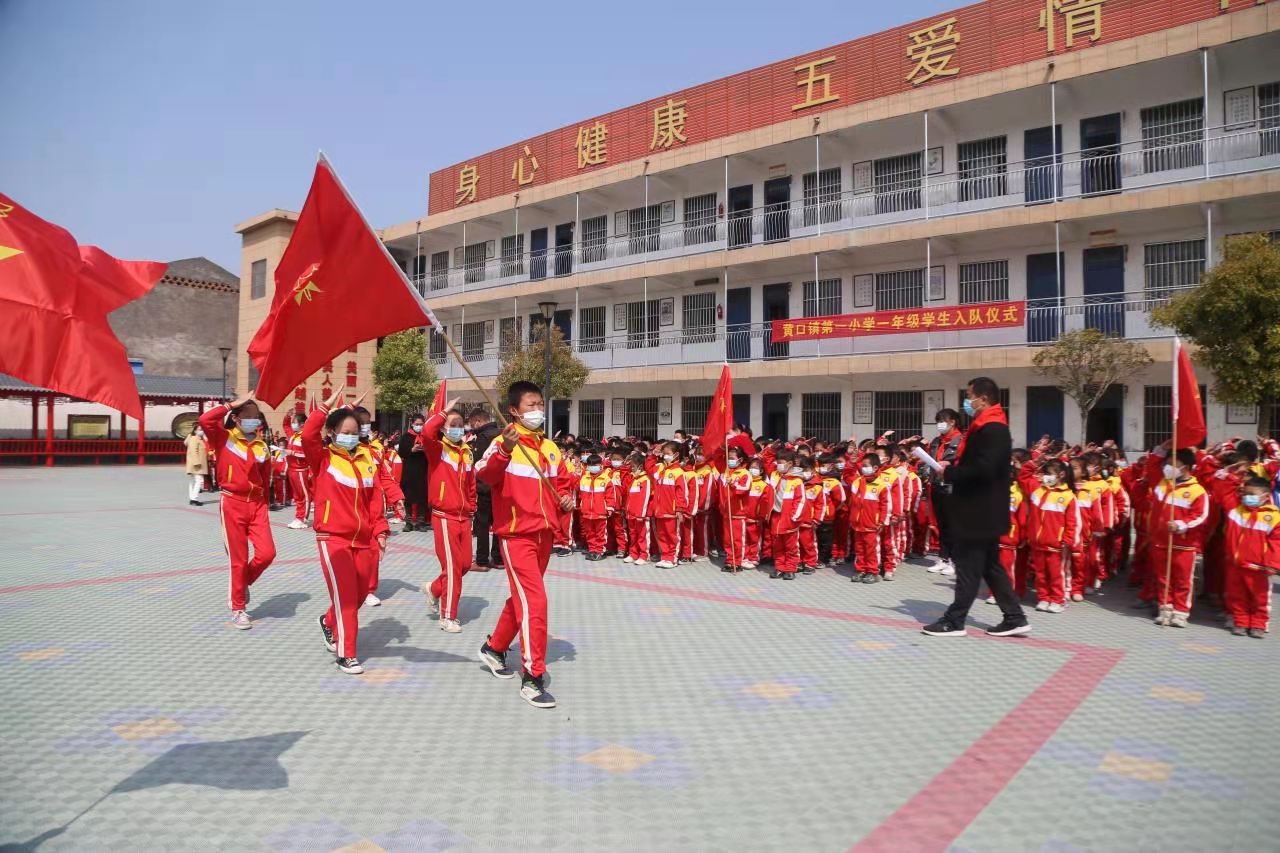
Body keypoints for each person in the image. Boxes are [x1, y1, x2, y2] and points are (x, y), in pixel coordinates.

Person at [474, 381, 575, 709]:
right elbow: (485, 475)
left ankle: (494, 647)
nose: (537, 411)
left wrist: (566, 498)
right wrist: (504, 448)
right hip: (516, 534)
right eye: (530, 405)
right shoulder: (503, 442)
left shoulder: (548, 447)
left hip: (544, 533)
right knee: (535, 600)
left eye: (540, 404)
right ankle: (532, 676)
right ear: (514, 411)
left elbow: (563, 481)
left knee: (522, 599)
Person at [922, 377, 1030, 637]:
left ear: (983, 399)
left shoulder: (993, 428)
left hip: (980, 509)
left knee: (968, 565)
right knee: (990, 565)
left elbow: (985, 469)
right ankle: (1014, 617)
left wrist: (951, 473)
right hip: (982, 507)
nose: (966, 401)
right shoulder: (984, 426)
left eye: (969, 396)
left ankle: (955, 620)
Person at [303, 389, 390, 674]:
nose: (352, 436)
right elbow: (307, 436)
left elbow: (375, 498)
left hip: (363, 538)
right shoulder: (323, 458)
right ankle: (346, 653)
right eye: (345, 431)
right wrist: (323, 409)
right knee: (345, 598)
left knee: (362, 593)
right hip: (332, 538)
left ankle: (328, 622)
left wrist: (380, 529)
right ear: (331, 433)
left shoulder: (366, 459)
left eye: (356, 431)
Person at [198, 392, 277, 630]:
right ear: (236, 418)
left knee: (267, 554)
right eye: (248, 416)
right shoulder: (223, 438)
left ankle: (242, 584)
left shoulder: (262, 446)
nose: (254, 420)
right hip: (232, 502)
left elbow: (265, 478)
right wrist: (231, 404)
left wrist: (266, 501)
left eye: (257, 417)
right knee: (239, 559)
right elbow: (205, 421)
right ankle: (238, 608)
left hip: (258, 504)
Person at [420, 400, 476, 633]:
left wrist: (472, 507)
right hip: (444, 515)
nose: (457, 428)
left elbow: (471, 483)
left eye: (461, 425)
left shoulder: (466, 452)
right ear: (443, 428)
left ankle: (434, 588)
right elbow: (426, 432)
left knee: (463, 565)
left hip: (464, 516)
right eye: (452, 424)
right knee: (453, 567)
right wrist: (442, 412)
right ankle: (448, 616)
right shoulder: (437, 450)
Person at [1143, 443, 1209, 627]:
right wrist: (1162, 448)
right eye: (1167, 463)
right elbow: (1152, 464)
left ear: (1185, 467)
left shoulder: (1197, 491)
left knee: (1182, 580)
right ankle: (1166, 609)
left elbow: (1201, 516)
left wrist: (1181, 525)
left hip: (1183, 545)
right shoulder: (1162, 483)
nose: (1167, 467)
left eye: (1173, 463)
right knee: (1163, 579)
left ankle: (1181, 612)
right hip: (1161, 542)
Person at [926, 409, 963, 577]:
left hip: (952, 486)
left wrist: (950, 464)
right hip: (937, 485)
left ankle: (956, 560)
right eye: (938, 421)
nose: (939, 424)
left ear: (953, 422)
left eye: (942, 420)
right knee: (941, 524)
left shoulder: (962, 440)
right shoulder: (936, 441)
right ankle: (943, 558)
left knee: (954, 524)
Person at [468, 407, 502, 569]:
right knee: (499, 523)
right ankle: (498, 558)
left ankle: (482, 560)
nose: (472, 427)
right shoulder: (502, 434)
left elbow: (478, 462)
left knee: (482, 524)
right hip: (501, 486)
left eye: (472, 424)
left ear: (478, 421)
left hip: (485, 486)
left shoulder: (483, 438)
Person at [398, 413, 429, 531]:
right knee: (408, 496)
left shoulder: (426, 436)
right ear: (412, 424)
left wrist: (425, 449)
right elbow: (401, 452)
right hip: (409, 470)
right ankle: (409, 522)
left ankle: (421, 521)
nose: (419, 426)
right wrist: (412, 449)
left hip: (423, 469)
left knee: (422, 496)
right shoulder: (406, 436)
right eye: (417, 424)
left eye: (421, 424)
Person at [623, 451, 653, 565]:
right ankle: (633, 553)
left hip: (641, 515)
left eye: (633, 467)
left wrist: (642, 513)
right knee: (633, 535)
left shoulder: (645, 479)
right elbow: (626, 491)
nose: (631, 469)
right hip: (630, 513)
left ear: (640, 466)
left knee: (642, 536)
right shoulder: (633, 478)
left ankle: (644, 555)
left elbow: (645, 498)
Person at [284, 412, 312, 529]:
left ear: (302, 424)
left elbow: (308, 454)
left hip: (301, 470)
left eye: (295, 422)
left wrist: (293, 453)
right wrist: (287, 416)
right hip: (292, 469)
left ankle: (303, 518)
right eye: (293, 422)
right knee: (297, 496)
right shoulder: (293, 435)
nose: (292, 424)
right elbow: (286, 427)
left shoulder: (305, 437)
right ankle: (298, 517)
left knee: (304, 496)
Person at [184, 425, 209, 505]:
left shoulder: (198, 439)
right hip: (196, 463)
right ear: (195, 431)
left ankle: (192, 498)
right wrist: (197, 462)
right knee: (199, 480)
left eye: (202, 429)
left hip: (194, 463)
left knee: (193, 481)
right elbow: (194, 451)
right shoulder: (194, 439)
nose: (201, 431)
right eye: (199, 429)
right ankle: (194, 499)